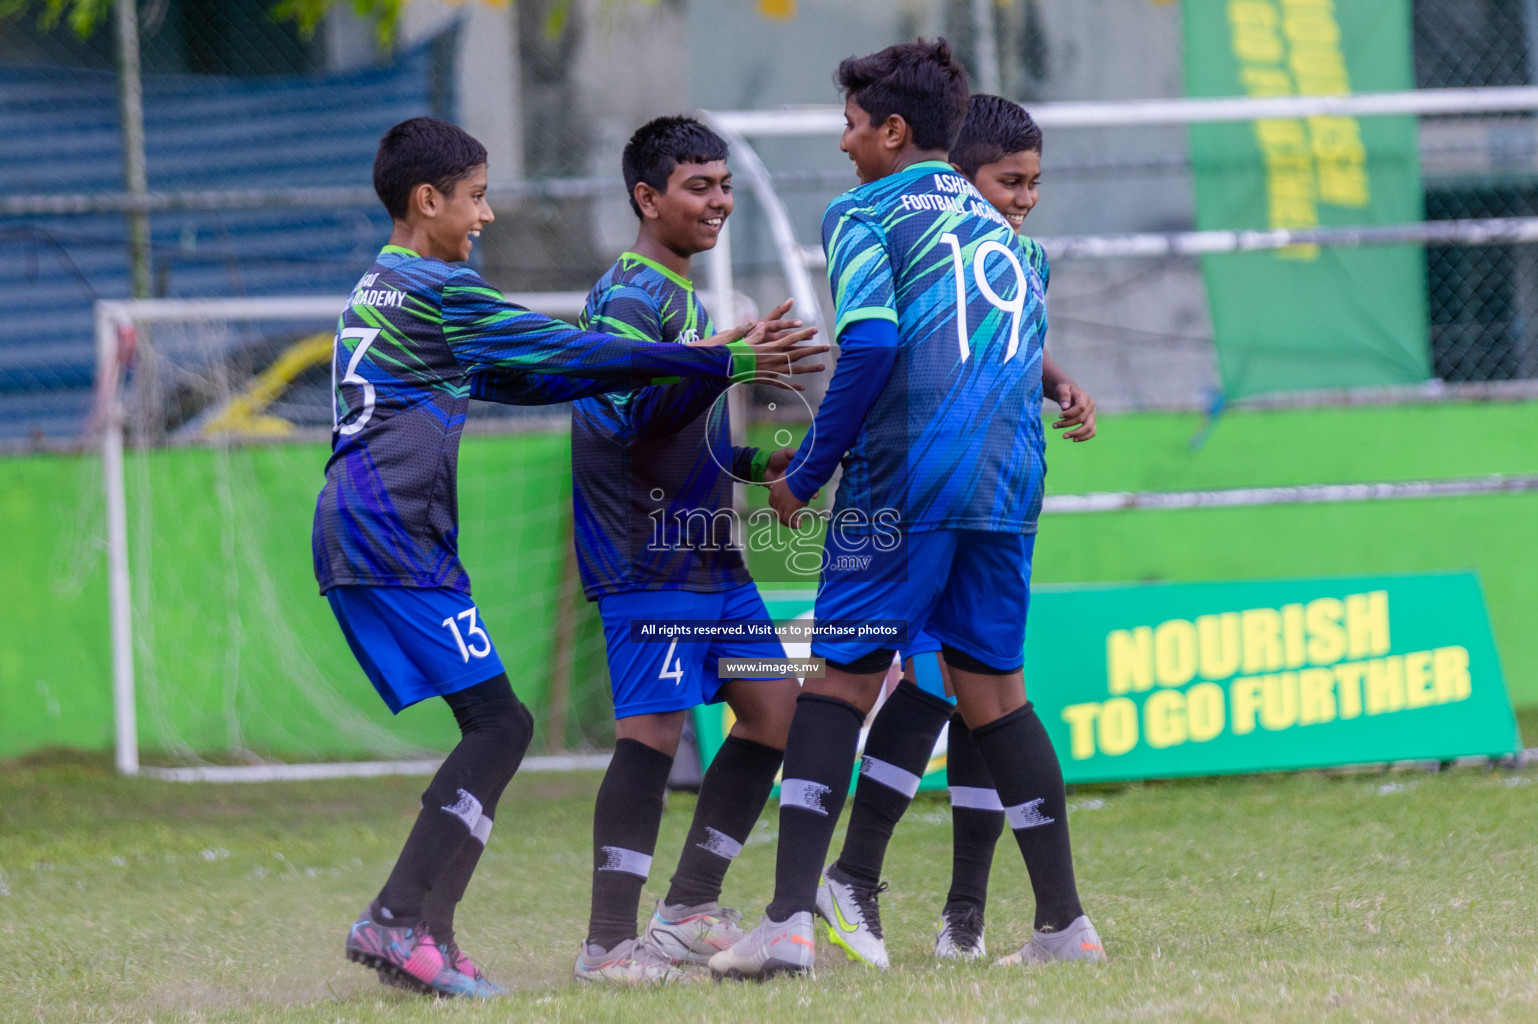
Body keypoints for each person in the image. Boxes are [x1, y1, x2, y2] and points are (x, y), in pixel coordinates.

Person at [316, 116, 825, 998]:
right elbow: (583, 368)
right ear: (427, 200)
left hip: (411, 534)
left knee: (766, 710)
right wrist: (717, 362)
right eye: (476, 197)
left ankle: (434, 927)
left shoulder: (393, 290)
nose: (488, 215)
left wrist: (731, 423)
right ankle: (462, 927)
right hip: (529, 545)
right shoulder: (457, 289)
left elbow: (543, 378)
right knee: (535, 728)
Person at [708, 43, 1104, 979]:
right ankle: (1063, 928)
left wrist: (806, 467)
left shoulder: (864, 211)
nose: (843, 142)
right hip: (1008, 488)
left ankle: (790, 921)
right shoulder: (1013, 240)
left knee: (839, 679)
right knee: (997, 694)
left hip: (910, 479)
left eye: (851, 123)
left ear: (892, 131)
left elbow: (874, 345)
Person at [815, 94, 1098, 968]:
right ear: (960, 177)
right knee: (959, 689)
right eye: (1011, 181)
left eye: (1034, 183)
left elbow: (1001, 323)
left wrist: (1055, 381)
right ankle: (921, 898)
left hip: (954, 483)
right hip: (977, 484)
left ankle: (938, 906)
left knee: (958, 691)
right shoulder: (940, 229)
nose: (1025, 198)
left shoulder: (1018, 254)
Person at [563, 115, 818, 986]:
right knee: (653, 733)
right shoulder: (629, 297)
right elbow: (626, 418)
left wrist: (755, 462)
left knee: (774, 714)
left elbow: (682, 427)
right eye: (697, 187)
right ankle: (606, 946)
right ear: (647, 197)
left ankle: (688, 912)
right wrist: (730, 363)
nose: (718, 203)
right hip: (648, 554)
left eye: (724, 187)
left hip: (709, 553)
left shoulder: (685, 298)